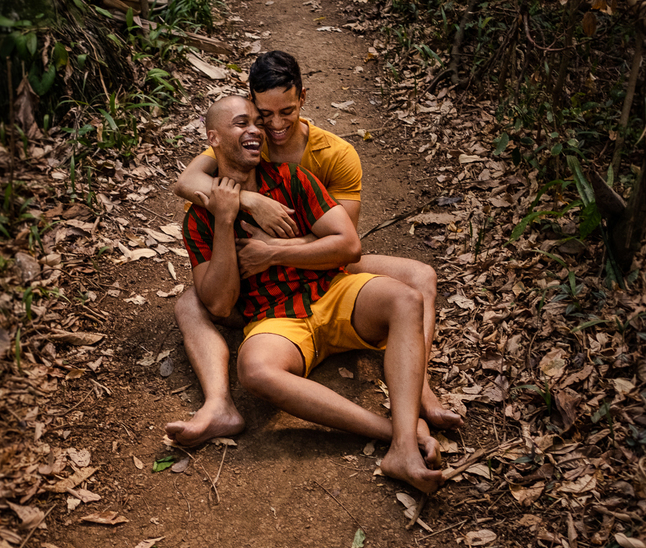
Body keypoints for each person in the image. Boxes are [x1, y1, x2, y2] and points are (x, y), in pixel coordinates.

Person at [166, 50, 460, 446]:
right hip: (264, 297)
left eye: (283, 112)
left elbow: (344, 246)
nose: (271, 125)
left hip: (321, 263)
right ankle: (218, 403)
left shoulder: (331, 156)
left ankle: (419, 389)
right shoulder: (249, 143)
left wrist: (272, 251)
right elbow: (187, 181)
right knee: (191, 303)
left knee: (417, 280)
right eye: (260, 115)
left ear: (303, 98)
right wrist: (243, 204)